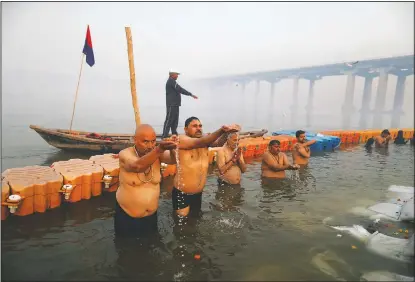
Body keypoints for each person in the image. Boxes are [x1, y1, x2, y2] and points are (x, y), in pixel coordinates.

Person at [114, 124, 177, 237]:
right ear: (135, 140)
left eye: (153, 141)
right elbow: (137, 166)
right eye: (146, 142)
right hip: (127, 218)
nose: (150, 146)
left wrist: (172, 147)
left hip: (151, 217)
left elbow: (174, 160)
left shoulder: (157, 155)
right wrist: (159, 149)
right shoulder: (125, 154)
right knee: (126, 251)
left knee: (151, 248)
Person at [170, 117, 241, 217]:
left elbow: (218, 143)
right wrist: (222, 130)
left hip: (198, 194)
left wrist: (228, 132)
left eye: (200, 126)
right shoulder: (181, 139)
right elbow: (200, 142)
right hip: (182, 193)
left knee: (196, 219)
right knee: (182, 225)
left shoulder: (205, 142)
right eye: (194, 126)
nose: (198, 128)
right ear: (185, 129)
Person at [162, 70, 198, 139]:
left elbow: (179, 89)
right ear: (172, 75)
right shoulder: (171, 81)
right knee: (169, 120)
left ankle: (174, 134)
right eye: (176, 74)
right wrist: (190, 94)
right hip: (171, 104)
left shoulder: (172, 81)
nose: (177, 76)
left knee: (175, 120)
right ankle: (164, 136)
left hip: (175, 104)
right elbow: (180, 89)